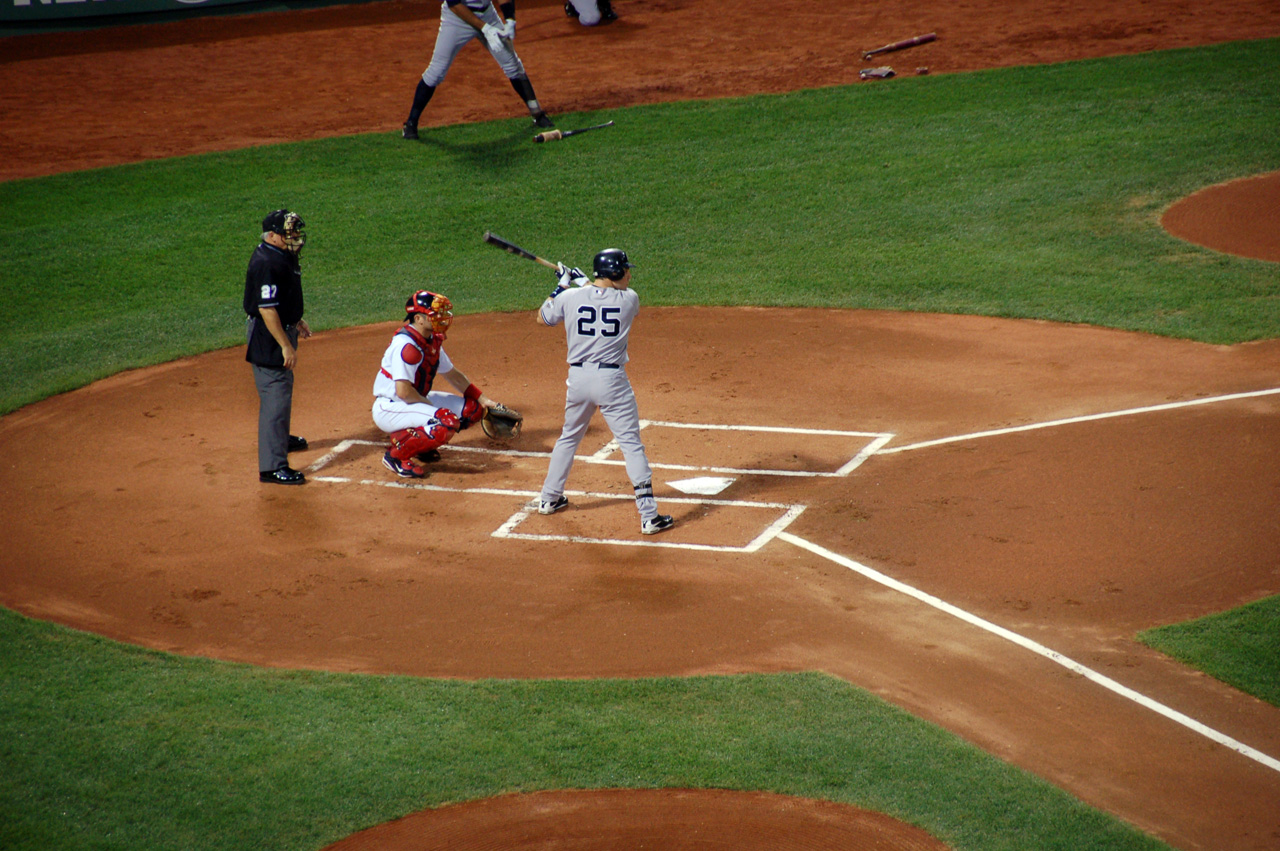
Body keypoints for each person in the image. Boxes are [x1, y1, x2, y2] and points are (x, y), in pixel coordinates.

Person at [536, 249, 674, 535]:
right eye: (625, 270)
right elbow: (600, 296)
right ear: (613, 274)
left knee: (569, 437)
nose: (629, 275)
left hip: (578, 379)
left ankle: (549, 499)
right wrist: (581, 281)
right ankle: (649, 516)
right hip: (611, 381)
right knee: (631, 444)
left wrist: (562, 284)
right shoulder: (630, 300)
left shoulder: (569, 298)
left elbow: (543, 318)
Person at [371, 289, 510, 478]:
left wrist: (484, 399)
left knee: (473, 409)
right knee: (445, 421)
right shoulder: (407, 347)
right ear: (419, 319)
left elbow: (453, 375)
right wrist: (431, 408)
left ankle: (419, 443)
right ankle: (396, 456)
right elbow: (403, 391)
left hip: (412, 400)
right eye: (434, 314)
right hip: (392, 406)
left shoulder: (429, 341)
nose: (441, 318)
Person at [401, 0, 554, 140]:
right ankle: (411, 123)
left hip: (487, 14)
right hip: (457, 18)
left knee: (513, 65)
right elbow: (454, 3)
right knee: (436, 72)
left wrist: (510, 20)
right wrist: (485, 28)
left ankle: (537, 114)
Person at [244, 209, 312, 485]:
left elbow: (282, 300)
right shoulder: (266, 262)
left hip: (279, 328)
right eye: (289, 233)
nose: (295, 237)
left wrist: (296, 319)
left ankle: (280, 438)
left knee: (281, 390)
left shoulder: (280, 255)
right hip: (268, 335)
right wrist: (285, 345)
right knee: (275, 396)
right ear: (272, 235)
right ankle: (272, 467)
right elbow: (267, 309)